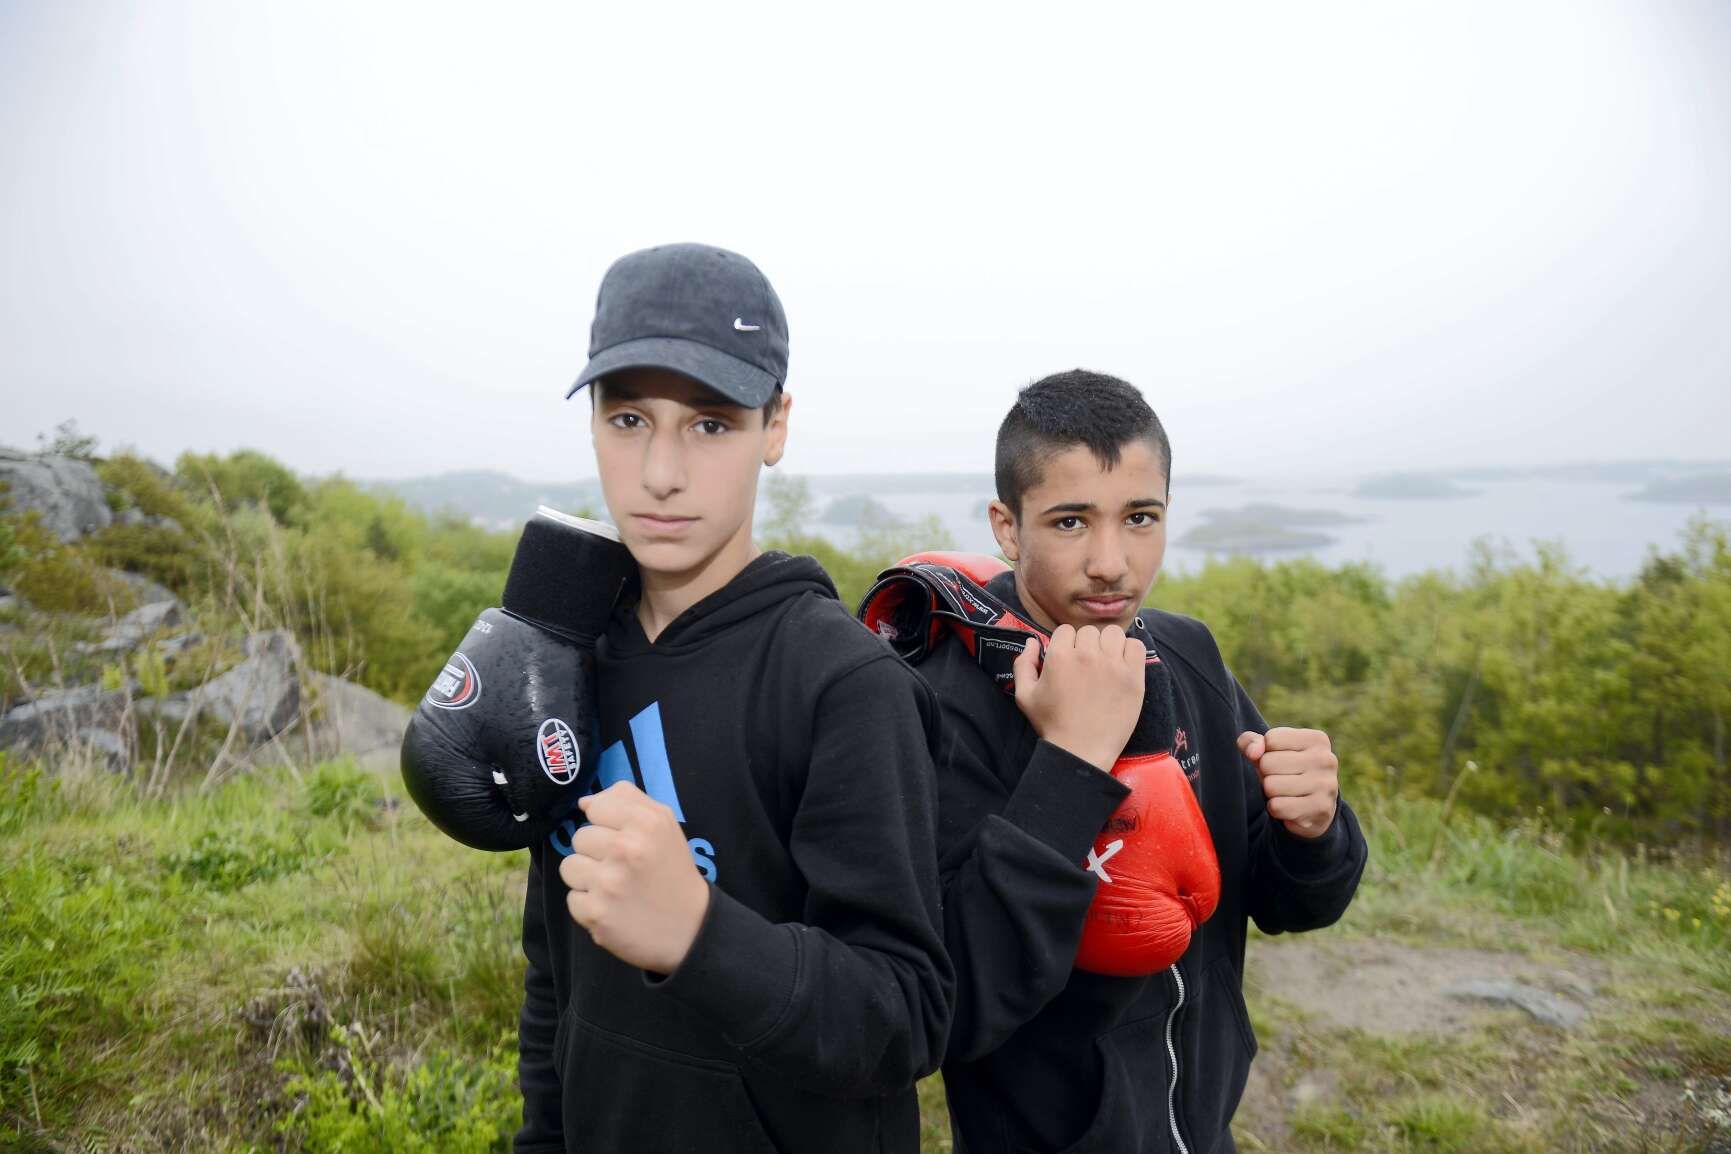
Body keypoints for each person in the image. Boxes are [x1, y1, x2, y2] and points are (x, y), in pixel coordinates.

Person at [514, 243, 952, 1154]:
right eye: (627, 418)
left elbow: (904, 1014)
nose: (660, 472)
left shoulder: (846, 686)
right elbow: (555, 966)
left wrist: (698, 933)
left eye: (710, 424)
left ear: (775, 426)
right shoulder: (568, 655)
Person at [919, 370, 1368, 1154]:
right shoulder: (941, 706)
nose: (1110, 562)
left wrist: (1313, 831)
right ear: (1007, 528)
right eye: (1069, 521)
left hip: (1204, 1128)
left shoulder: (1186, 655)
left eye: (1139, 518)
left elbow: (1292, 904)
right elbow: (945, 1003)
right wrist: (1069, 767)